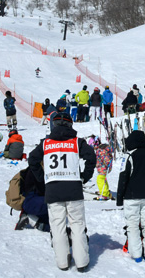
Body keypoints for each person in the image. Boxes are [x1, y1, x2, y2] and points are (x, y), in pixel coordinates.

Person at [28, 112, 96, 272]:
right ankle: (81, 262)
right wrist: (84, 176)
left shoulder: (45, 143)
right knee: (77, 225)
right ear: (70, 125)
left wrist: (42, 178)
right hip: (73, 187)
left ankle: (63, 262)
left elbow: (32, 159)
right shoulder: (76, 142)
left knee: (57, 226)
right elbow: (91, 156)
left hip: (53, 189)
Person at [116, 130, 145, 262]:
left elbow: (123, 177)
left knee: (132, 226)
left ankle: (137, 255)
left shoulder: (128, 156)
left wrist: (119, 198)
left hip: (131, 197)